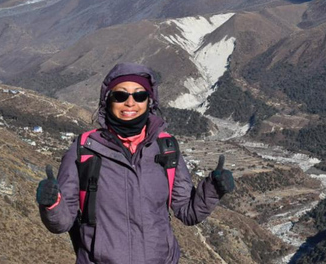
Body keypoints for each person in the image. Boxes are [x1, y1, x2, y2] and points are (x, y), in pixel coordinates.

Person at [36, 63, 235, 264]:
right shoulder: (84, 150)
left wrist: (213, 189)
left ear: (150, 101)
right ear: (108, 100)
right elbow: (62, 222)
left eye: (139, 95)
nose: (130, 103)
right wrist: (51, 203)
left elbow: (187, 211)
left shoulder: (166, 147)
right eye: (121, 96)